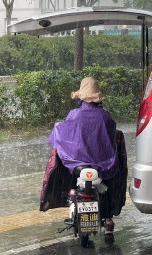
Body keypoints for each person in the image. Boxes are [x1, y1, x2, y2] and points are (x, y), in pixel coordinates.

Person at [39, 77, 127, 240]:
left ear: (81, 97)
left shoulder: (74, 115)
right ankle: (108, 220)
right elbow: (111, 138)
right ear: (97, 98)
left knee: (71, 178)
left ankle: (74, 209)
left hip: (77, 164)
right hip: (103, 165)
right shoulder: (105, 117)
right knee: (108, 186)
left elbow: (65, 134)